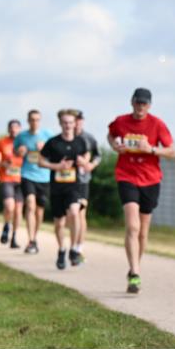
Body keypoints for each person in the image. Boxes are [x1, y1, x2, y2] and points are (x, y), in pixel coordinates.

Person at [107, 88, 175, 293]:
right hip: (126, 175)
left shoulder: (157, 124)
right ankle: (135, 272)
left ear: (149, 105)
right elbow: (110, 135)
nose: (140, 107)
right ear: (132, 102)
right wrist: (114, 146)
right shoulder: (120, 121)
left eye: (144, 104)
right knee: (133, 226)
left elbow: (172, 151)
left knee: (143, 232)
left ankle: (134, 268)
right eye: (138, 103)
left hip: (151, 179)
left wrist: (152, 149)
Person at [39, 109, 91, 269]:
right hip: (57, 188)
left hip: (74, 186)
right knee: (59, 223)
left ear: (75, 124)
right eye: (65, 122)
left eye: (70, 122)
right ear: (60, 123)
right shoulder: (53, 143)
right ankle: (62, 249)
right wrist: (57, 166)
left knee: (75, 212)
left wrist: (84, 162)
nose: (68, 125)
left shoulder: (80, 142)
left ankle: (74, 249)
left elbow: (87, 156)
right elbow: (41, 162)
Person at [13, 110, 53, 254]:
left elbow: (55, 153)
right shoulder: (21, 136)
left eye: (37, 119)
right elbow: (15, 152)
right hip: (27, 174)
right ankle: (30, 240)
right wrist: (19, 151)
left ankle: (35, 237)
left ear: (40, 120)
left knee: (39, 210)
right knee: (30, 204)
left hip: (44, 176)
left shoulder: (48, 135)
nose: (34, 122)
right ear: (28, 120)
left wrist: (45, 149)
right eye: (32, 119)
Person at [0, 120, 24, 249]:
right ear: (8, 129)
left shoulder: (25, 142)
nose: (14, 131)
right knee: (10, 207)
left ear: (20, 129)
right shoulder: (1, 142)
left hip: (21, 180)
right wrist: (1, 164)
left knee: (18, 210)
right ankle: (6, 225)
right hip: (6, 178)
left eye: (16, 128)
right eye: (11, 128)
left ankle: (14, 237)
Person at [73, 111, 101, 262]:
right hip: (67, 182)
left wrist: (91, 165)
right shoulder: (65, 138)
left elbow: (98, 155)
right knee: (71, 215)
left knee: (81, 214)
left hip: (83, 181)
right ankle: (72, 245)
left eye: (79, 120)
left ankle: (79, 247)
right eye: (74, 120)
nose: (77, 123)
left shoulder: (89, 138)